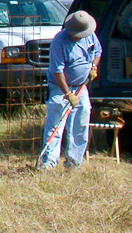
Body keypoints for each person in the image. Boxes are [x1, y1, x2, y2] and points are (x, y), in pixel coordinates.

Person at [38, 10, 102, 169]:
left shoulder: (90, 36)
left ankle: (74, 164)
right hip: (60, 88)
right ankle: (48, 163)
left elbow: (98, 52)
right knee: (55, 126)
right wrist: (67, 94)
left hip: (81, 87)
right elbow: (57, 71)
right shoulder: (59, 42)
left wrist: (93, 66)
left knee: (80, 124)